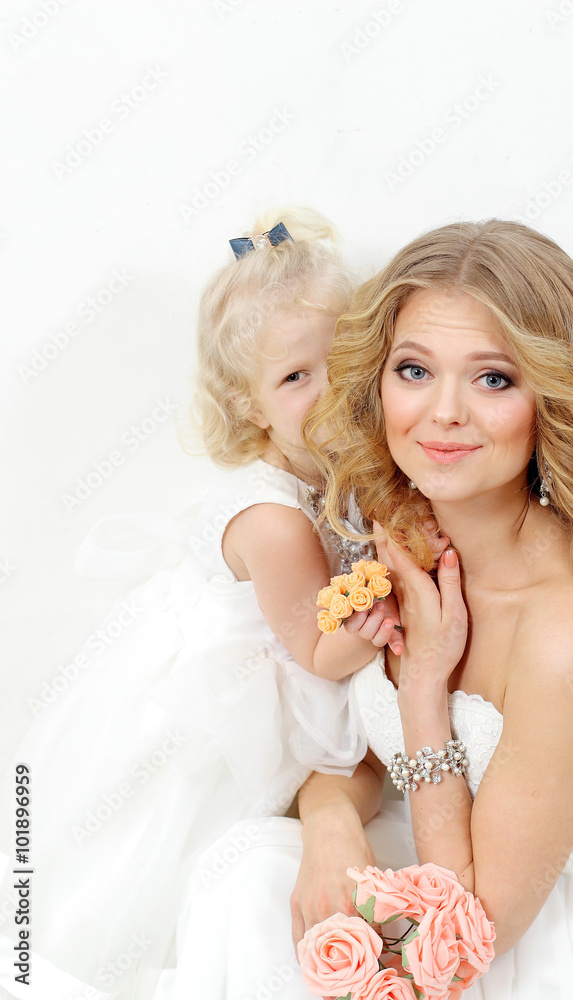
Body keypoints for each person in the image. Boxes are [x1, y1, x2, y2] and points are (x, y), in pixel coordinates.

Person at [159, 218, 573, 1000]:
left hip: (527, 941)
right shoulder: (404, 536)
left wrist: (422, 693)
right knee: (241, 881)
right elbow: (356, 745)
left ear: (554, 400)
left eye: (493, 379)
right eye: (414, 370)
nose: (443, 413)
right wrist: (332, 821)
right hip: (414, 867)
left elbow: (469, 937)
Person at [0, 209, 392, 1000]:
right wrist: (378, 628)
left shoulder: (340, 479)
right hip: (218, 708)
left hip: (277, 660)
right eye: (293, 378)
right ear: (250, 408)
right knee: (160, 856)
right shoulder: (276, 522)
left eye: (342, 360)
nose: (328, 390)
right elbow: (317, 653)